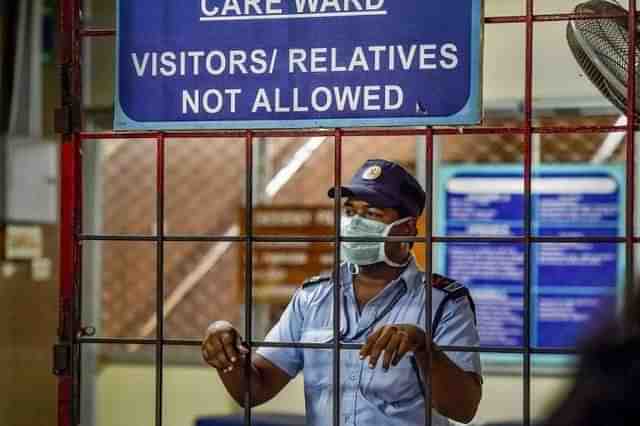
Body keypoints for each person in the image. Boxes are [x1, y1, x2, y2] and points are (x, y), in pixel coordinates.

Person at [202, 159, 483, 425]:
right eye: (350, 211)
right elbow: (253, 390)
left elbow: (463, 409)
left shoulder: (444, 303)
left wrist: (422, 347)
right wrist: (227, 354)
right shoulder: (312, 298)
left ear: (407, 229)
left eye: (372, 213)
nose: (355, 222)